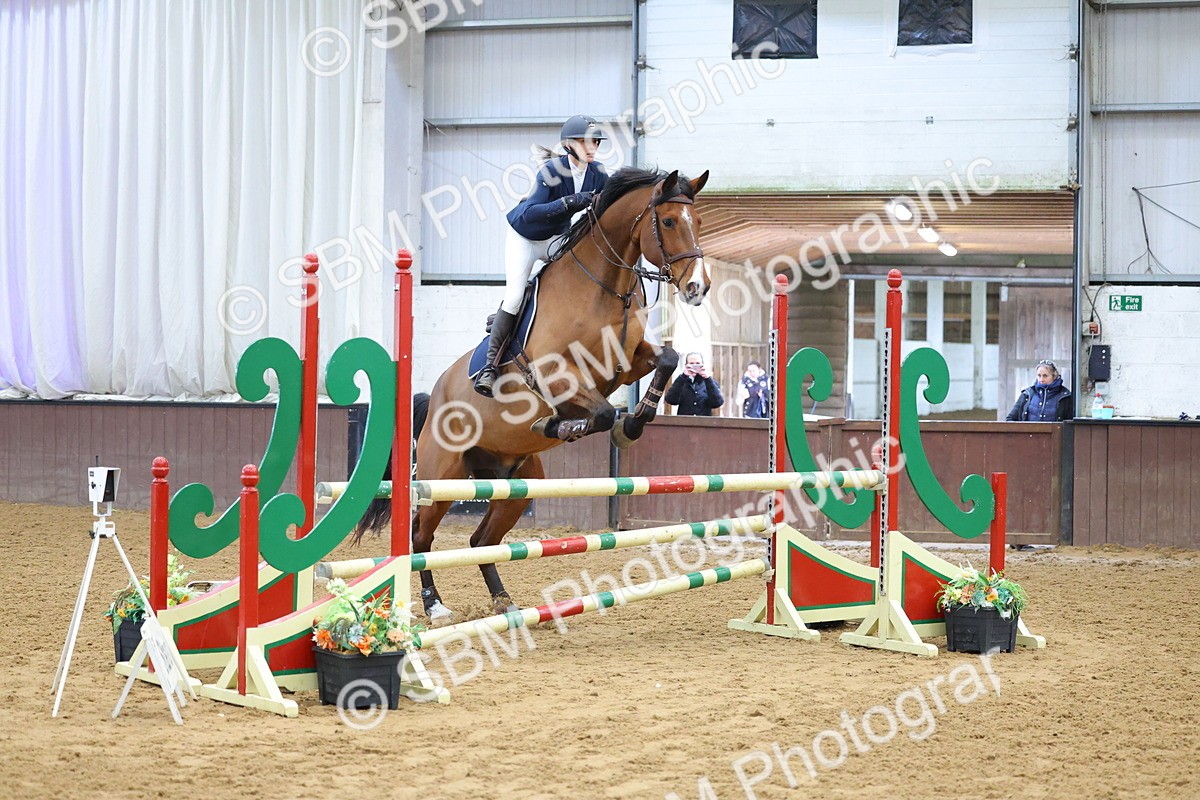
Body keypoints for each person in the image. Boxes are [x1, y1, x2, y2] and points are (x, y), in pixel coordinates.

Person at [474, 115, 611, 396]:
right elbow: (530, 210)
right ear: (569, 145)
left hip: (555, 238)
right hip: (526, 237)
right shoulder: (551, 171)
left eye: (596, 141)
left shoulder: (598, 174)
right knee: (514, 295)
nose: (593, 147)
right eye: (587, 141)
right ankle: (490, 366)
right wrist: (568, 202)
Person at [1006, 359, 1073, 421]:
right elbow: (1010, 419)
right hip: (1029, 433)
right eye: (1039, 375)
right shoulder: (1027, 394)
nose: (1041, 379)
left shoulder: (1065, 396)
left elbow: (1070, 424)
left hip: (1055, 433)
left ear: (1054, 376)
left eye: (1045, 376)